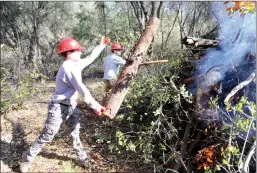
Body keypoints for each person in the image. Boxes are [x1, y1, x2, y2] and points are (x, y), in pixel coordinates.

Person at [20, 36, 110, 172]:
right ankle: (26, 158)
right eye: (77, 50)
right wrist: (96, 106)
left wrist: (101, 46)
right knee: (47, 135)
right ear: (69, 53)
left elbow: (90, 58)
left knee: (75, 133)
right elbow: (82, 89)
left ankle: (82, 158)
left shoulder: (75, 64)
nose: (80, 53)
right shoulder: (68, 68)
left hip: (72, 107)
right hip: (59, 108)